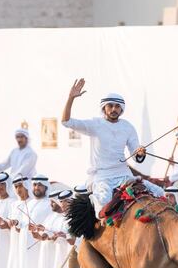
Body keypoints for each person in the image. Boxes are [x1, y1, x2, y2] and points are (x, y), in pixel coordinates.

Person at [61, 79, 162, 211]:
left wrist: (140, 152)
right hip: (102, 177)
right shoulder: (95, 124)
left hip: (124, 175)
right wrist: (70, 98)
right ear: (104, 108)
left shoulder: (127, 127)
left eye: (117, 106)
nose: (114, 109)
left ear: (121, 109)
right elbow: (66, 121)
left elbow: (135, 152)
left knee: (159, 192)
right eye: (110, 106)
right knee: (103, 202)